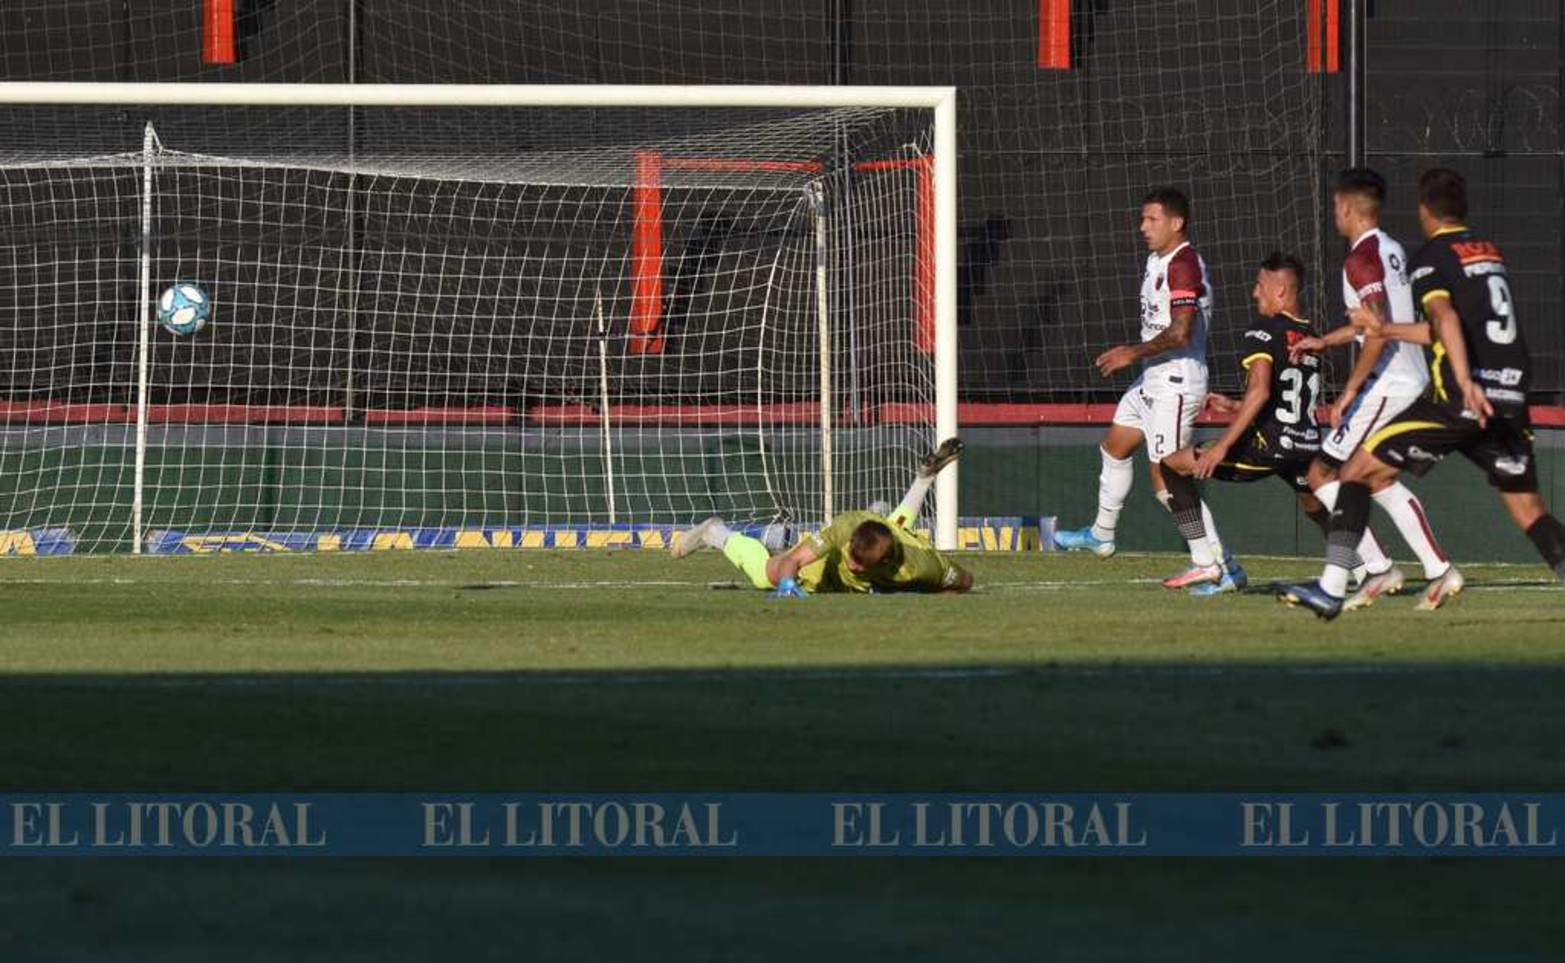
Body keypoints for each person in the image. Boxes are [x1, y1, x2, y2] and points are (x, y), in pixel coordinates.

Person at [1276, 168, 1565, 618]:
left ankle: (1337, 585)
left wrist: (1465, 380)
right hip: (1508, 398)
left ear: (1425, 211)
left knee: (1350, 476)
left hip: (1456, 397)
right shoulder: (1488, 252)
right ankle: (1413, 570)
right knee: (1530, 512)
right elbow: (1438, 327)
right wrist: (1382, 328)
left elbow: (1444, 320)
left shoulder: (1431, 257)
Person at [1154, 252, 1402, 602]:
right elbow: (1288, 398)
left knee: (1172, 465)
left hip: (1268, 445)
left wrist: (1224, 444)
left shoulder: (1263, 330)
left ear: (1281, 291)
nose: (1255, 294)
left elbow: (1261, 389)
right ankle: (1363, 568)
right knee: (1316, 507)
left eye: (1260, 286)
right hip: (1305, 442)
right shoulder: (1310, 335)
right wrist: (1237, 405)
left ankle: (1205, 561)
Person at [1281, 168, 1454, 606]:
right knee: (1377, 479)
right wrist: (1327, 340)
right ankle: (1437, 570)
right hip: (1408, 377)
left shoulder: (1360, 257)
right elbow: (1372, 321)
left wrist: (1349, 393)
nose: (1334, 214)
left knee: (1320, 472)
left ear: (1347, 208)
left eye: (1336, 206)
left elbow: (1376, 331)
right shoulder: (1392, 249)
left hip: (1390, 382)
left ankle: (1376, 569)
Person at [1052, 187, 1239, 584]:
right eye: (1142, 219)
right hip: (1154, 377)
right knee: (1115, 444)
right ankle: (1101, 534)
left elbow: (1182, 332)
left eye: (1151, 220)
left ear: (1176, 223)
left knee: (1167, 475)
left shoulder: (1183, 265)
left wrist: (1131, 353)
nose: (1143, 227)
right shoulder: (1158, 259)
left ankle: (1221, 564)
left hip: (1175, 381)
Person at [670, 438, 973, 596]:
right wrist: (787, 585)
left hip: (890, 545)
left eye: (859, 563)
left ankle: (921, 481)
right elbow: (793, 563)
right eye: (853, 556)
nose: (853, 563)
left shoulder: (923, 566)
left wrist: (922, 593)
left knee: (894, 527)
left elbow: (964, 581)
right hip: (827, 573)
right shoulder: (845, 529)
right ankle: (716, 532)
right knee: (768, 574)